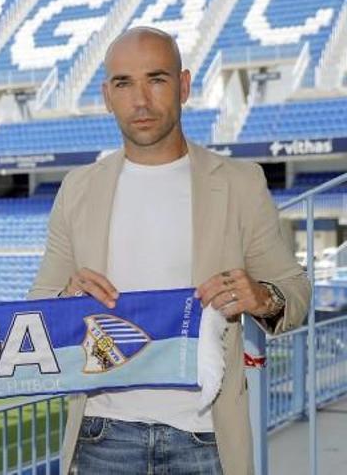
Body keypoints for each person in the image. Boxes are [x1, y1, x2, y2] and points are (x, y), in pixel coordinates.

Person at [29, 27, 310, 474]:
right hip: (104, 434)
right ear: (106, 95)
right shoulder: (77, 189)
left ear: (183, 85)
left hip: (206, 437)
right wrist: (66, 299)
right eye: (124, 83)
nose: (140, 100)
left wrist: (263, 298)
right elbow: (37, 309)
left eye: (155, 79)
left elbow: (295, 293)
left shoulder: (240, 182)